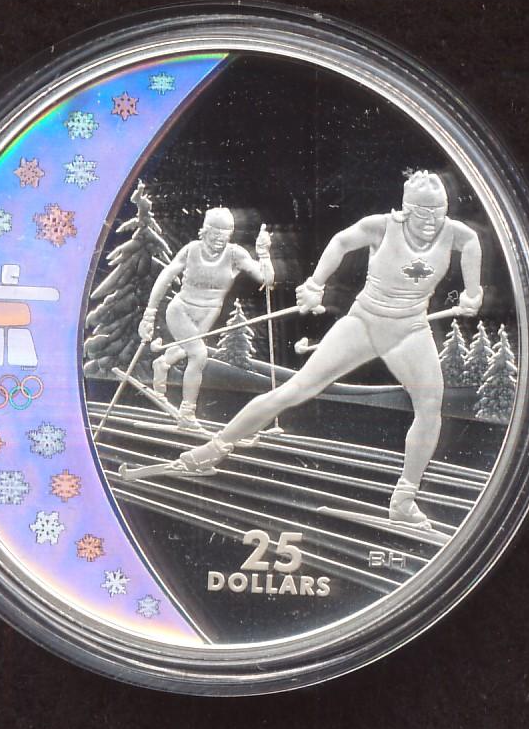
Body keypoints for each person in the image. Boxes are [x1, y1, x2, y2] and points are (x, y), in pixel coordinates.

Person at [177, 171, 483, 529]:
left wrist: (472, 292)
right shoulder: (382, 227)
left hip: (410, 330)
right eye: (423, 213)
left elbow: (472, 243)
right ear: (406, 209)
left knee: (430, 406)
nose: (431, 222)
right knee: (296, 389)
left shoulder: (454, 233)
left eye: (438, 213)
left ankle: (404, 499)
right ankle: (212, 450)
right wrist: (315, 284)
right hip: (365, 322)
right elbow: (340, 242)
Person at [138, 207, 274, 431]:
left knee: (187, 349)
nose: (220, 239)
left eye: (225, 235)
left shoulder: (235, 254)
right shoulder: (191, 250)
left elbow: (267, 280)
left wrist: (264, 254)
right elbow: (166, 276)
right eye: (215, 234)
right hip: (180, 310)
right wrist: (149, 314)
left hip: (209, 314)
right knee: (198, 354)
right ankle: (187, 413)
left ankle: (162, 363)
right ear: (205, 231)